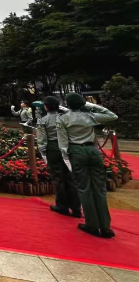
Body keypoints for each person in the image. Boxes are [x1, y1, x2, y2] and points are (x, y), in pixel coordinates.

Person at [57, 93, 118, 238]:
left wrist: (67, 160)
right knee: (100, 189)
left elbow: (63, 145)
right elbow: (112, 116)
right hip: (93, 151)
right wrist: (90, 105)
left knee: (84, 188)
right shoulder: (90, 116)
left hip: (76, 152)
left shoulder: (63, 119)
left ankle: (92, 224)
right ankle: (105, 226)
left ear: (67, 104)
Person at [37, 96, 81, 218]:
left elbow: (42, 140)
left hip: (53, 148)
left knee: (58, 177)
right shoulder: (65, 118)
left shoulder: (43, 120)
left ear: (46, 107)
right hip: (67, 147)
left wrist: (43, 154)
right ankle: (76, 207)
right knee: (71, 177)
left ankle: (62, 206)